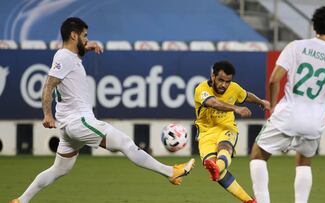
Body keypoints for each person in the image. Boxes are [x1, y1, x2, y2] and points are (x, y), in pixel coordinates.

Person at [10, 17, 195, 203]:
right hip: (79, 121)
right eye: (84, 36)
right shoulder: (63, 57)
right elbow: (48, 86)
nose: (86, 39)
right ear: (74, 35)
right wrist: (47, 114)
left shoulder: (71, 58)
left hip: (69, 126)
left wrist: (87, 48)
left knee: (59, 169)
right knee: (125, 143)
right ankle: (171, 172)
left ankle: (21, 200)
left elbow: (73, 62)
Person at [249, 3, 325, 203]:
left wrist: (271, 105)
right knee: (304, 163)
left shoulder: (296, 47)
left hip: (288, 114)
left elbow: (274, 79)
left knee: (258, 155)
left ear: (314, 25)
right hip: (314, 122)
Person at [194, 60, 270, 203]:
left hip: (227, 128)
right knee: (216, 170)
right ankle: (250, 201)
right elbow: (213, 103)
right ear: (213, 77)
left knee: (225, 148)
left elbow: (246, 95)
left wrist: (261, 102)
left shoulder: (234, 88)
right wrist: (236, 108)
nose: (224, 85)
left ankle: (217, 167)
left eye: (227, 81)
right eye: (221, 80)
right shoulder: (201, 89)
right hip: (206, 133)